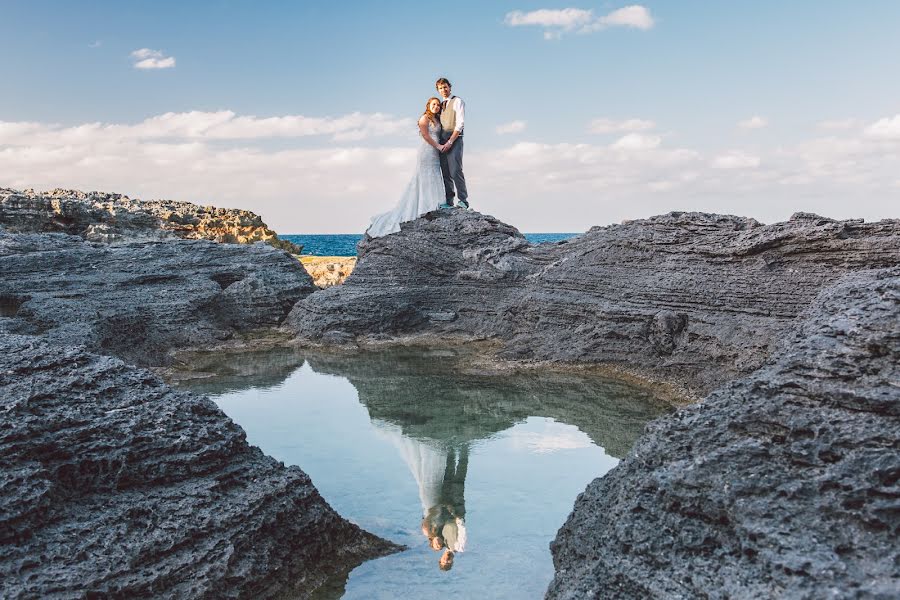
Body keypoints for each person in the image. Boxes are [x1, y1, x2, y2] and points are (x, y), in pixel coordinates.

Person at [366, 97, 446, 237]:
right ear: (428, 105)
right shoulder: (424, 118)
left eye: (438, 105)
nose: (436, 106)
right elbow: (426, 136)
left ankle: (435, 204)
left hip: (436, 153)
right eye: (434, 104)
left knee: (434, 175)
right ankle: (423, 207)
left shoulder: (437, 120)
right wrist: (438, 146)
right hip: (427, 151)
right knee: (424, 177)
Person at [435, 77, 469, 209]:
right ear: (438, 90)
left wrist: (450, 141)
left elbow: (460, 123)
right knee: (446, 172)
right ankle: (449, 201)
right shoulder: (441, 105)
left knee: (455, 170)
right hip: (442, 141)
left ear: (450, 87)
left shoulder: (458, 101)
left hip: (454, 139)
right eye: (440, 88)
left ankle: (463, 200)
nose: (443, 90)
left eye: (445, 87)